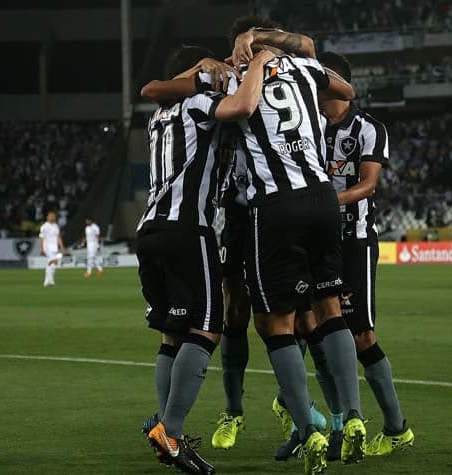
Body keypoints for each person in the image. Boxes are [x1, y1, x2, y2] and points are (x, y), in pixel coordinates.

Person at [136, 44, 270, 474]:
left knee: (170, 335)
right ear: (193, 76)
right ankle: (171, 433)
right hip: (186, 230)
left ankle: (164, 427)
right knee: (209, 327)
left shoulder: (158, 119)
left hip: (149, 232)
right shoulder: (196, 103)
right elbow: (241, 107)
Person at [209, 14, 326, 453]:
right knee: (235, 312)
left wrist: (260, 45)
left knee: (298, 313)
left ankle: (303, 414)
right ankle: (234, 411)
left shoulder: (291, 73)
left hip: (276, 205)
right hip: (237, 210)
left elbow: (310, 48)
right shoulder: (229, 77)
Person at [313, 50, 415, 459]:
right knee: (317, 331)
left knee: (360, 335)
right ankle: (336, 423)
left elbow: (369, 184)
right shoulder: (311, 127)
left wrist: (327, 201)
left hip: (354, 239)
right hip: (319, 240)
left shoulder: (369, 128)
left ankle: (395, 428)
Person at [39, 210, 64, 287]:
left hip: (55, 247)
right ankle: (51, 281)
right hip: (47, 247)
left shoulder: (56, 226)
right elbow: (41, 238)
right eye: (51, 216)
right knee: (53, 262)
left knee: (53, 263)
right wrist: (42, 249)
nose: (52, 217)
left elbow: (58, 237)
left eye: (53, 216)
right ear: (47, 217)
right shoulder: (44, 227)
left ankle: (47, 282)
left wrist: (62, 246)